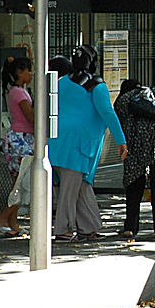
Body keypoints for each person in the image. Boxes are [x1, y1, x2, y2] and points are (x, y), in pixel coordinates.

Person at [50, 44, 127, 242]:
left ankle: (89, 226)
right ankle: (64, 230)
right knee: (71, 188)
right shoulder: (96, 85)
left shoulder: (61, 82)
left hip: (57, 140)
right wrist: (121, 140)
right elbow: (107, 112)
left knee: (79, 186)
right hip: (79, 144)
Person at [114, 79, 155, 240]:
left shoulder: (123, 100)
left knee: (134, 185)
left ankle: (130, 227)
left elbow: (118, 123)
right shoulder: (153, 92)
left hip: (135, 142)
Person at [0, 56, 33, 237]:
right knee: (22, 182)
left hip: (22, 138)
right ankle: (3, 217)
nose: (31, 74)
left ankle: (12, 221)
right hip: (20, 139)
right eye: (28, 71)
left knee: (20, 181)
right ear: (19, 72)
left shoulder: (20, 91)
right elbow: (30, 117)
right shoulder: (18, 93)